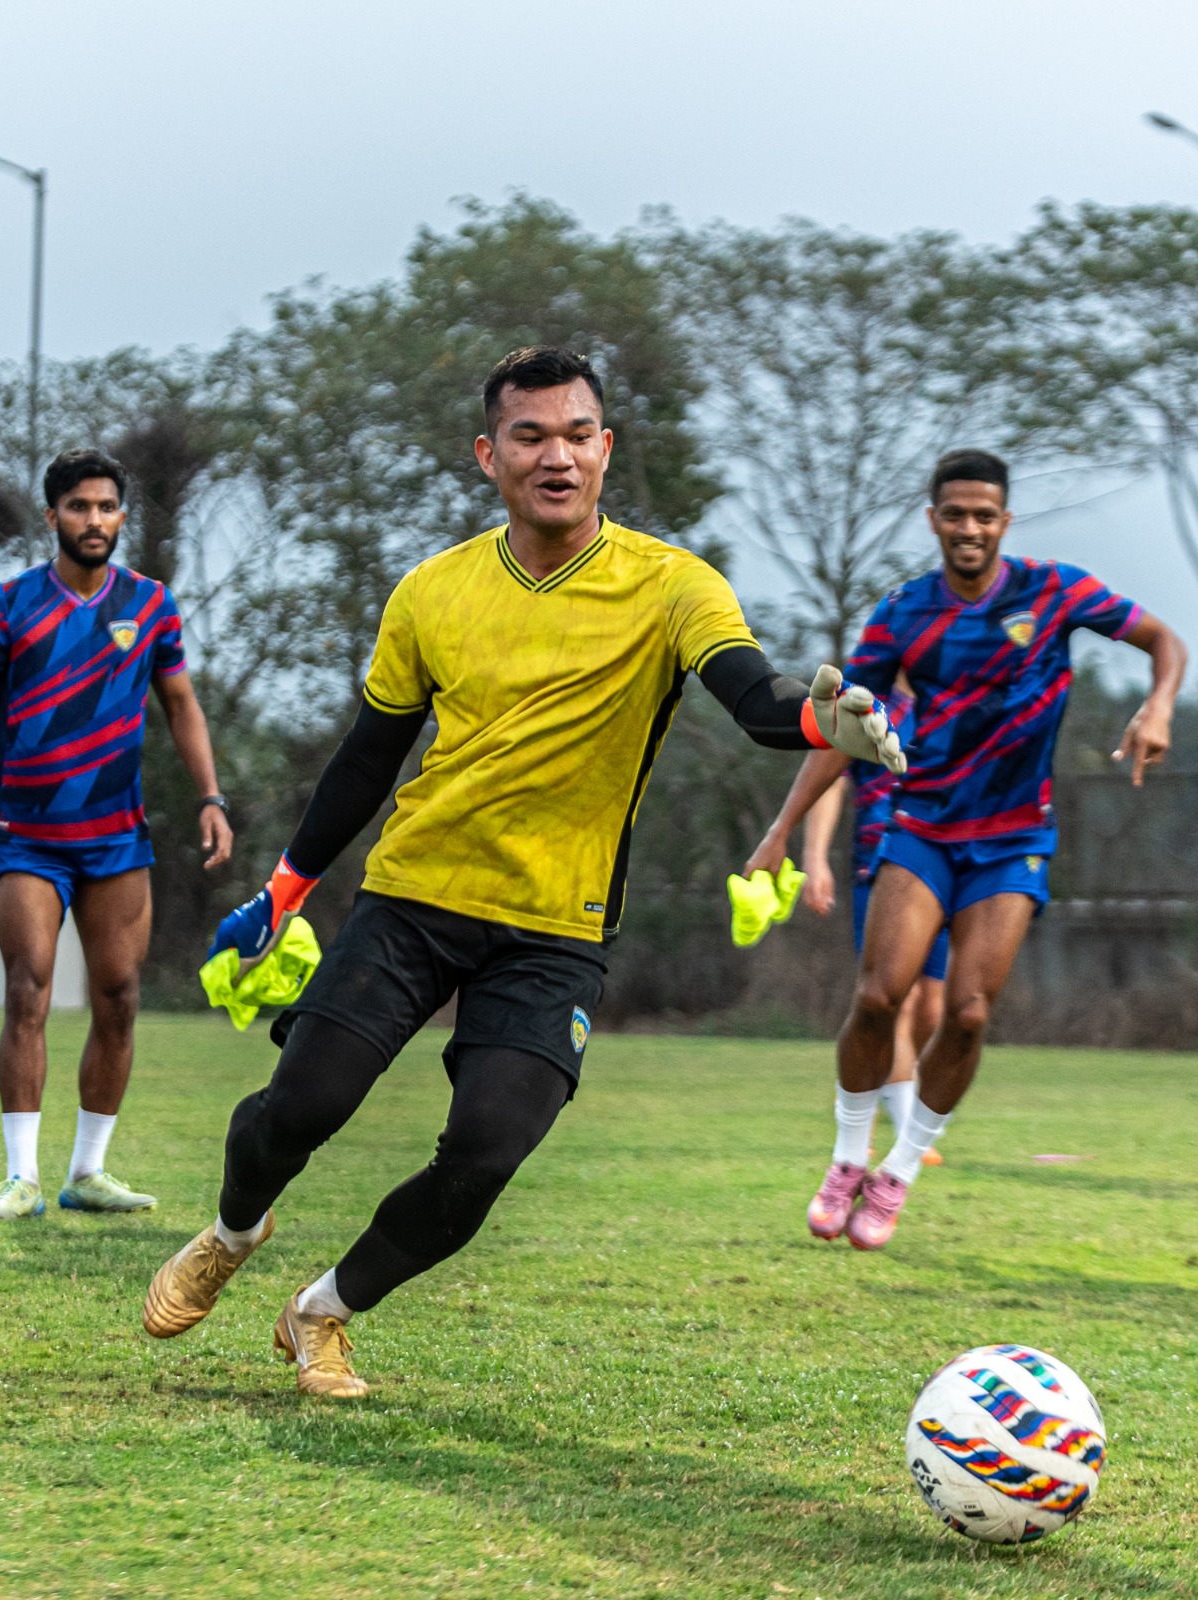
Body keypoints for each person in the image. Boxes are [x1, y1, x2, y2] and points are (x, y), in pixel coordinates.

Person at [142, 346, 904, 1398]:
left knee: (486, 1154)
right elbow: (367, 757)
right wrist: (284, 890)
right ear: (487, 454)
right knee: (299, 1108)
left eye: (578, 434)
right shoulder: (432, 591)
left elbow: (753, 692)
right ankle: (233, 1231)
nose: (558, 456)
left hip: (555, 930)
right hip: (413, 899)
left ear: (606, 448)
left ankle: (323, 1311)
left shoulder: (672, 586)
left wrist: (821, 721)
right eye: (530, 436)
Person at [746, 448, 1186, 1250]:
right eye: (956, 514)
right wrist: (781, 830)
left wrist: (1157, 706)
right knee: (879, 997)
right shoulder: (903, 613)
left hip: (1014, 838)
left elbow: (1164, 640)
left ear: (1005, 521)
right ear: (935, 521)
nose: (971, 528)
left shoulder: (1054, 591)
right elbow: (843, 727)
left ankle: (898, 1172)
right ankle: (847, 1158)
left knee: (970, 1012)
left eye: (985, 515)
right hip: (922, 827)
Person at [0, 448, 234, 1220]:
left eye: (105, 507)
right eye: (78, 507)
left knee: (120, 996)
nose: (93, 520)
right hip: (29, 836)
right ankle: (20, 1178)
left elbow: (182, 706)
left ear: (122, 516)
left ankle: (88, 1173)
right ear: (53, 516)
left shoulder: (151, 604)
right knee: (27, 986)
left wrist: (211, 797)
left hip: (117, 840)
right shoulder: (9, 603)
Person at [795, 683, 947, 1169]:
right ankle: (906, 1129)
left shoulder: (953, 695)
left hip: (946, 860)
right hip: (880, 865)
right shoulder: (868, 703)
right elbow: (831, 777)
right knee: (895, 1000)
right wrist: (815, 857)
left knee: (933, 1008)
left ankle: (883, 1085)